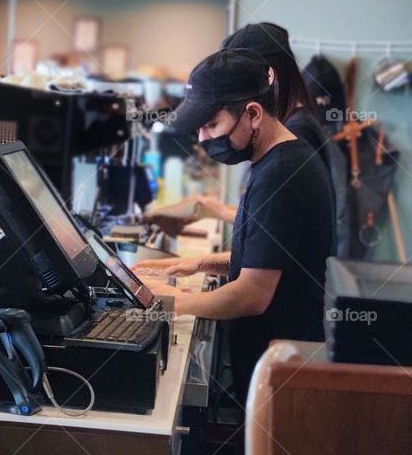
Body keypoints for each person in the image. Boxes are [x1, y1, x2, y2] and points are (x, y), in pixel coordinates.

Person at [135, 49, 335, 403]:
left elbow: (251, 295)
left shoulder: (282, 175)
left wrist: (171, 302)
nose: (203, 138)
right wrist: (199, 263)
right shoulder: (275, 160)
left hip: (281, 368)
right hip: (269, 354)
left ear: (253, 113)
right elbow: (269, 255)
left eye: (211, 125)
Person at [159, 22, 331, 228]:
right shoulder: (289, 127)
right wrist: (214, 210)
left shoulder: (295, 133)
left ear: (268, 75)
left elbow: (276, 225)